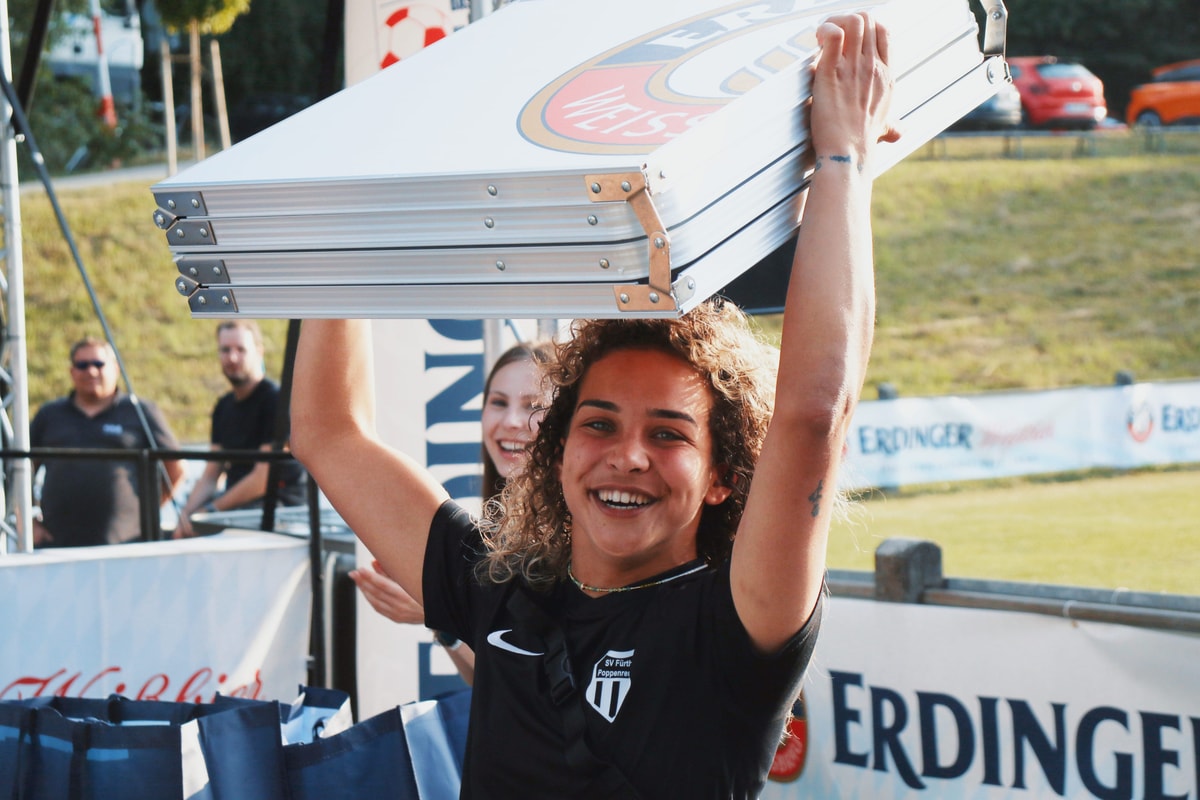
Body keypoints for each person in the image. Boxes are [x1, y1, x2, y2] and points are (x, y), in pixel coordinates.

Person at [292, 12, 897, 797]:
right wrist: (349, 200)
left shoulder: (738, 622)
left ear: (723, 478)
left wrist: (843, 163)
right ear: (558, 448)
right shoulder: (502, 587)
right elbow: (328, 433)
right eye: (600, 423)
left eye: (670, 433)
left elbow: (813, 416)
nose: (628, 454)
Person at [349, 340, 554, 687]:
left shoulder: (577, 535)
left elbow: (535, 689)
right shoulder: (500, 529)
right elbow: (487, 687)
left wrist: (442, 607)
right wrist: (446, 621)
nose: (511, 421)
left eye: (532, 406)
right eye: (498, 403)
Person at [29, 337, 185, 547]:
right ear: (72, 372)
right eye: (82, 365)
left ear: (115, 368)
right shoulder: (49, 414)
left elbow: (175, 468)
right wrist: (28, 522)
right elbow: (19, 471)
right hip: (57, 548)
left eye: (98, 364)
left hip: (128, 546)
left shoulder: (140, 411)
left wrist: (148, 508)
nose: (91, 371)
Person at [175, 320, 306, 538]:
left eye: (240, 350)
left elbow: (262, 480)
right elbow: (211, 474)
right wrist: (185, 516)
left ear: (259, 352)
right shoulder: (223, 406)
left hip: (280, 513)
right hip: (236, 511)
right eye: (225, 350)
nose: (232, 357)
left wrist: (209, 511)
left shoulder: (276, 401)